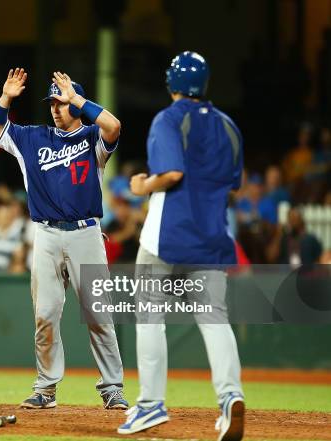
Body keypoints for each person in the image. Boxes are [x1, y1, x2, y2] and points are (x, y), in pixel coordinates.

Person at [117, 52, 245, 441]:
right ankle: (230, 396)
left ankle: (151, 403)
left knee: (150, 316)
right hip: (212, 236)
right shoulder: (228, 126)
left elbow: (171, 173)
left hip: (167, 235)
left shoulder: (168, 119)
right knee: (215, 319)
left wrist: (140, 186)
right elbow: (233, 185)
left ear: (171, 83)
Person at [0, 69, 127, 410]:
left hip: (86, 234)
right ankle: (46, 389)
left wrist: (76, 99)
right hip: (46, 235)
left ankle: (112, 388)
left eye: (60, 102)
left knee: (99, 315)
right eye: (52, 102)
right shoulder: (33, 138)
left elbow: (114, 126)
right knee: (45, 314)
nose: (54, 108)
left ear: (76, 105)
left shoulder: (93, 138)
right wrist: (5, 97)